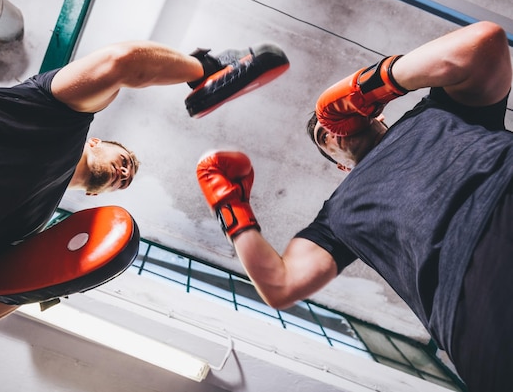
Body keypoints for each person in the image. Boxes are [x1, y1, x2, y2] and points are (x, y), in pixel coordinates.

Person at [0, 40, 288, 353]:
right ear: (95, 142)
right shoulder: (58, 115)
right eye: (125, 158)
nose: (126, 171)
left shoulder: (25, 240)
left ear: (95, 194)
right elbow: (124, 62)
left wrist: (32, 287)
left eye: (127, 178)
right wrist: (205, 70)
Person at [196, 21, 512, 392]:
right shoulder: (337, 214)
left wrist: (372, 84)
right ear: (341, 165)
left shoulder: (434, 111)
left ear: (374, 114)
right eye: (322, 136)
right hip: (471, 309)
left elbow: (485, 44)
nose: (329, 129)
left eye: (331, 118)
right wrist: (231, 205)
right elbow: (279, 285)